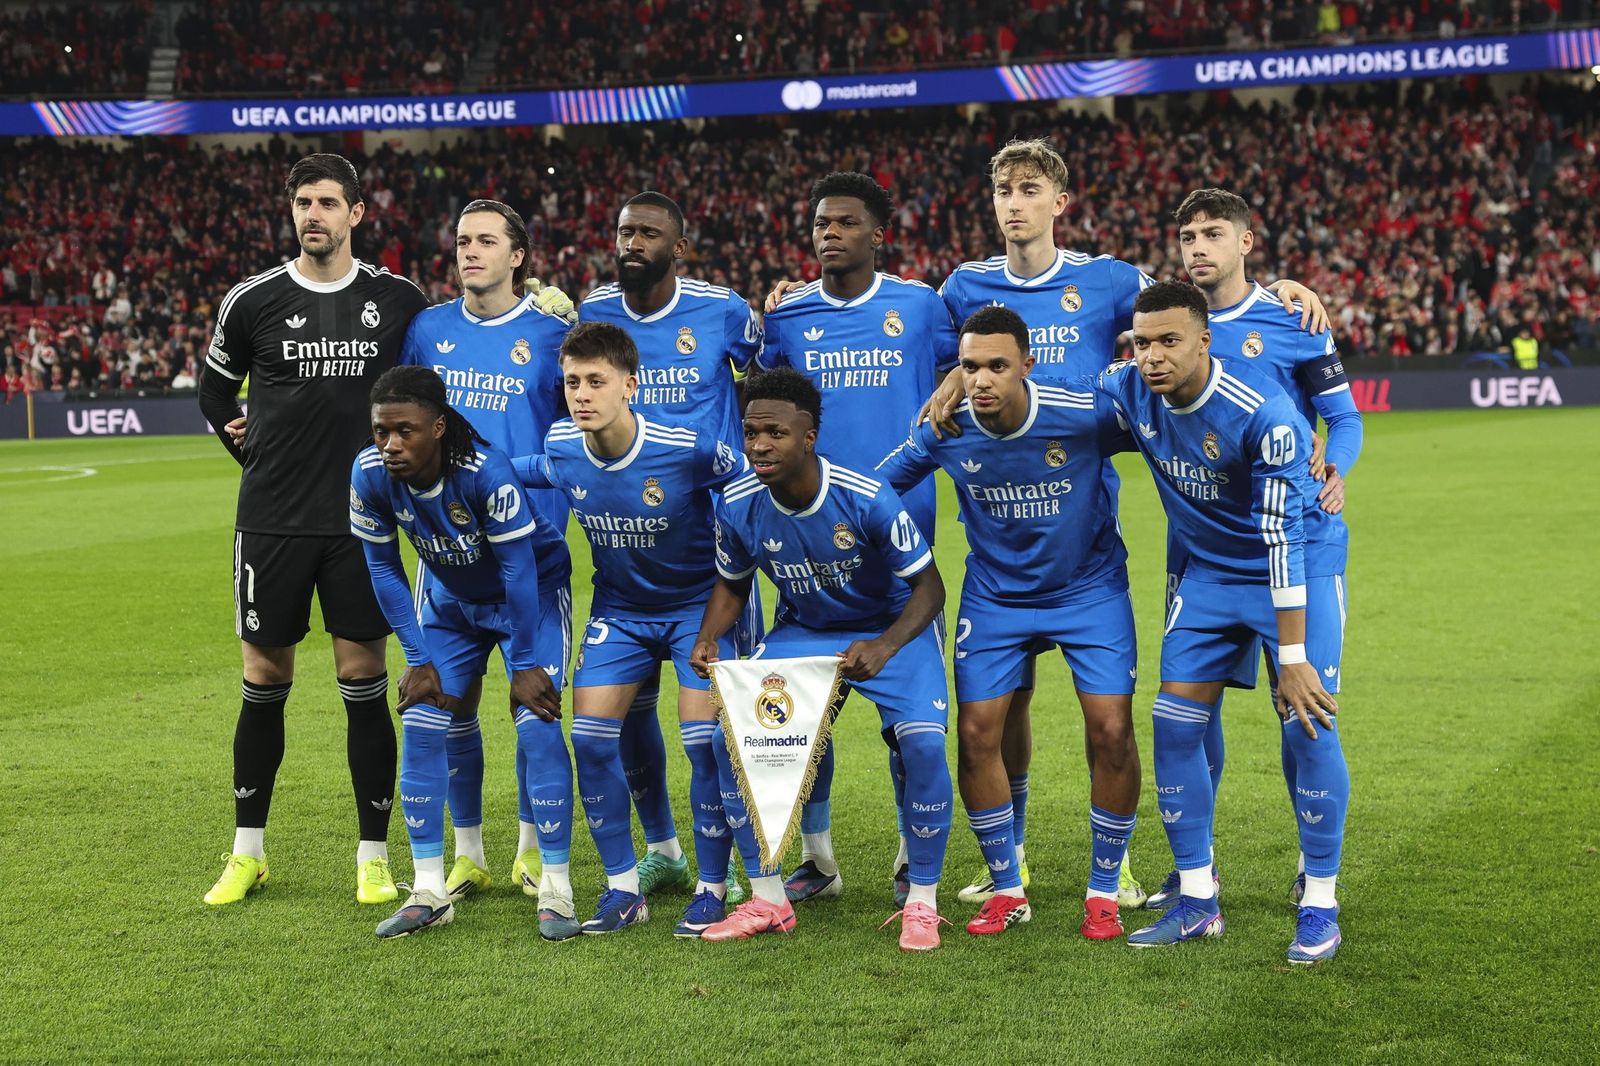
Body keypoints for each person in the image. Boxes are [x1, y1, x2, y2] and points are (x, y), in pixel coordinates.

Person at [933, 139, 1330, 910]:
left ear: (1060, 200)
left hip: (1082, 519)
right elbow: (939, 351)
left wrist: (1277, 287)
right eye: (1002, 191)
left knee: (1112, 719)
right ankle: (1006, 855)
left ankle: (1112, 870)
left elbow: (1193, 309)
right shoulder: (961, 286)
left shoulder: (1110, 280)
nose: (1014, 204)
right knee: (998, 707)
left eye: (1029, 189)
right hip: (1000, 518)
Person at [197, 153, 428, 908]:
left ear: (357, 213)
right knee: (264, 681)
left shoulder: (397, 301)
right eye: (302, 202)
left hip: (363, 525)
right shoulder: (252, 299)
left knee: (362, 679)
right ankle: (246, 853)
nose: (313, 215)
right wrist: (251, 451)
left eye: (328, 202)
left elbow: (430, 388)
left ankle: (371, 856)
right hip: (271, 522)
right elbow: (213, 391)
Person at [1098, 281, 1350, 963]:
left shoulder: (1264, 415)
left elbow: (1283, 540)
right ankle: (1198, 899)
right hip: (1209, 577)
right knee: (1173, 721)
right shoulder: (1128, 387)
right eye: (1142, 343)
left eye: (1168, 342)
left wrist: (1292, 656)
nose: (1152, 356)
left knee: (1310, 717)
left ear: (1204, 341)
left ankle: (1320, 901)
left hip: (1295, 566)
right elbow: (1064, 398)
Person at [878, 306, 1139, 940]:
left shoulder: (1083, 415)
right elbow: (876, 488)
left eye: (998, 365)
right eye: (969, 367)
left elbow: (1171, 429)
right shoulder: (947, 429)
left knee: (1110, 730)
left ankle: (1104, 889)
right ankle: (1008, 887)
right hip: (996, 597)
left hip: (1089, 589)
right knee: (976, 733)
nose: (983, 379)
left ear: (1028, 363)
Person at [1141, 187, 1363, 911]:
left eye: (1213, 233)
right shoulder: (1161, 312)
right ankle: (1195, 866)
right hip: (1198, 550)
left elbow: (1343, 419)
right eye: (1187, 236)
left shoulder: (1292, 317)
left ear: (1246, 241)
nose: (1198, 247)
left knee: (1303, 717)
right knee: (1188, 713)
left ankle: (1315, 868)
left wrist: (1337, 468)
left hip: (1292, 540)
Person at [689, 368, 954, 951]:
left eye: (775, 433)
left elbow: (930, 589)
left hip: (890, 629)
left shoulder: (865, 496)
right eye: (751, 432)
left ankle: (922, 902)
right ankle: (770, 899)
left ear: (808, 437)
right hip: (805, 630)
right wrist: (711, 634)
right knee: (727, 738)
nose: (759, 444)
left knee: (924, 743)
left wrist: (885, 646)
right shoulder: (737, 504)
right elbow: (732, 583)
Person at [758, 171, 958, 906]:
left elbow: (971, 368)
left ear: (879, 235)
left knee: (910, 729)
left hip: (902, 555)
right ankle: (818, 860)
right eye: (819, 224)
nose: (828, 234)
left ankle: (913, 855)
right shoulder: (787, 318)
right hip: (810, 554)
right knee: (803, 725)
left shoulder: (920, 306)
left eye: (844, 223)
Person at [513, 321, 748, 936]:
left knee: (705, 743)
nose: (582, 394)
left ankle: (714, 884)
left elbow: (751, 484)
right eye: (572, 382)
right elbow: (530, 468)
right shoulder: (565, 444)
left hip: (700, 608)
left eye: (597, 381)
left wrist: (744, 568)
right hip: (620, 611)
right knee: (590, 740)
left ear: (630, 386)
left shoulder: (687, 447)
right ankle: (624, 886)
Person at [577, 191, 763, 900]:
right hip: (625, 549)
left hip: (711, 556)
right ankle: (663, 850)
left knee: (712, 730)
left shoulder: (721, 312)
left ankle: (745, 859)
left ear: (678, 247)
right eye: (624, 230)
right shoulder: (592, 314)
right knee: (623, 716)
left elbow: (771, 377)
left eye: (649, 233)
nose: (633, 242)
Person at [397, 199, 578, 928]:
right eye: (462, 239)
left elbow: (575, 436)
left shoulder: (552, 334)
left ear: (518, 258)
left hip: (527, 556)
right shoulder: (428, 330)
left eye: (486, 241)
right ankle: (464, 854)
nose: (470, 251)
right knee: (446, 707)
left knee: (532, 709)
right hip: (444, 558)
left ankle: (535, 852)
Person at [349, 365, 572, 939]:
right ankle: (429, 889)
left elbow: (520, 573)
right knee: (423, 719)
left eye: (406, 431)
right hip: (450, 602)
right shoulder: (369, 474)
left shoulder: (485, 473)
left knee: (537, 721)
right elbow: (382, 566)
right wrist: (417, 656)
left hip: (532, 596)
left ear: (440, 427)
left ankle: (557, 888)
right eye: (381, 431)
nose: (391, 444)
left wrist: (524, 665)